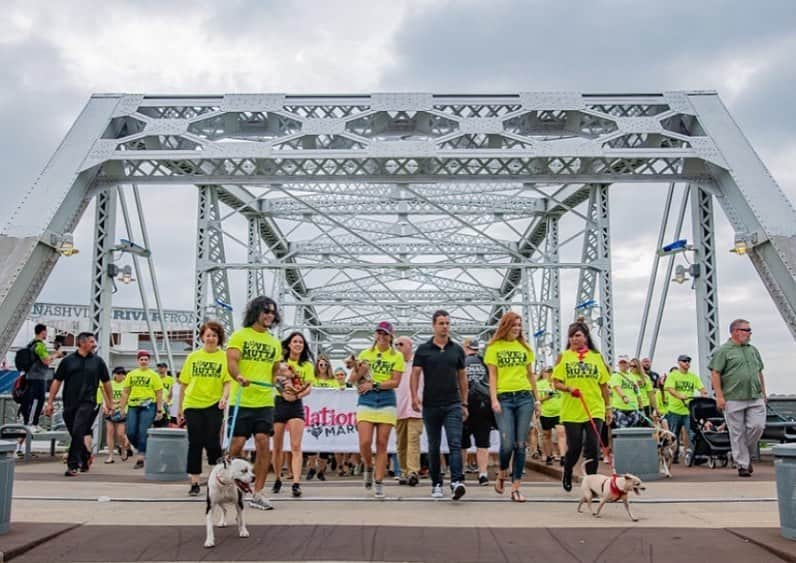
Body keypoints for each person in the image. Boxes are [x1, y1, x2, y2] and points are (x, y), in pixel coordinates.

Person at [227, 296, 282, 510]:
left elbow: (274, 371)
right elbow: (231, 361)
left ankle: (257, 493)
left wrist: (278, 382)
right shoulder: (240, 336)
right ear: (256, 312)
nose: (269, 315)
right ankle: (231, 485)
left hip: (264, 401)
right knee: (237, 446)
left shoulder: (274, 342)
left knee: (263, 443)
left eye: (272, 312)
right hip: (242, 400)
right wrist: (239, 376)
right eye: (266, 311)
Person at [411, 311, 467, 500]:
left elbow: (462, 377)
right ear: (434, 325)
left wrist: (464, 403)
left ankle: (456, 481)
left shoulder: (457, 349)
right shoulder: (423, 349)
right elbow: (415, 374)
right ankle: (436, 483)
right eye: (441, 323)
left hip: (453, 403)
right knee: (434, 446)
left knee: (455, 443)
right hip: (431, 405)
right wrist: (414, 397)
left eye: (447, 323)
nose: (445, 326)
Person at [484, 311, 539, 503]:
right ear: (506, 326)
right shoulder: (494, 347)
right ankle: (501, 474)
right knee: (507, 444)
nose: (517, 328)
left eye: (519, 325)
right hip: (504, 398)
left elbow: (531, 375)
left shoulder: (524, 347)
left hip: (524, 397)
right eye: (514, 325)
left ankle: (516, 487)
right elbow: (492, 375)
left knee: (520, 445)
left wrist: (537, 399)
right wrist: (494, 399)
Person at [552, 319, 611, 492]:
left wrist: (608, 408)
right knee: (575, 447)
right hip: (572, 409)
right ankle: (568, 470)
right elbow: (556, 383)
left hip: (594, 408)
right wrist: (569, 388)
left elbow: (603, 385)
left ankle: (592, 484)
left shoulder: (596, 357)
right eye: (571, 336)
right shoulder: (564, 357)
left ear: (585, 337)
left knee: (593, 447)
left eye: (577, 336)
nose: (574, 339)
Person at [43, 332, 112, 477]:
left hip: (89, 401)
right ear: (82, 343)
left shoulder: (98, 362)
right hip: (69, 402)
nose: (94, 345)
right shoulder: (68, 361)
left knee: (78, 429)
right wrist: (49, 402)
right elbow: (57, 381)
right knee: (75, 432)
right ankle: (86, 456)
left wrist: (109, 402)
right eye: (92, 342)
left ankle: (73, 465)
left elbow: (106, 382)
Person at [349, 321, 404, 499]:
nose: (381, 336)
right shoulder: (365, 353)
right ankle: (368, 465)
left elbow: (395, 382)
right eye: (378, 333)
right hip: (366, 399)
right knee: (364, 442)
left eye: (385, 333)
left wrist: (375, 384)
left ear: (390, 336)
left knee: (382, 443)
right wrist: (360, 370)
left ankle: (379, 482)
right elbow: (352, 380)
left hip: (386, 399)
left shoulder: (396, 356)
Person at [177, 321, 231, 496]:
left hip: (214, 404)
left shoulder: (223, 357)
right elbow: (184, 384)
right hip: (192, 404)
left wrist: (224, 397)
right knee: (195, 442)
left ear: (219, 338)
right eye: (208, 335)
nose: (211, 338)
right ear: (202, 337)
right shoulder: (193, 357)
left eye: (214, 335)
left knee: (213, 442)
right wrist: (179, 408)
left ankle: (217, 478)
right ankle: (194, 481)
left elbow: (228, 381)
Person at [709, 319, 767, 478]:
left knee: (758, 426)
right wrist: (719, 396)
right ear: (735, 331)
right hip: (733, 397)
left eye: (749, 330)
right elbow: (715, 373)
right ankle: (743, 464)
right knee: (737, 432)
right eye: (746, 330)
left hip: (755, 396)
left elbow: (759, 372)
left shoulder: (753, 350)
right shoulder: (724, 351)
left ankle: (742, 454)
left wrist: (764, 392)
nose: (749, 333)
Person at [272, 332, 314, 498]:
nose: (298, 344)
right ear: (289, 344)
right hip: (280, 402)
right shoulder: (281, 363)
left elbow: (309, 387)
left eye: (301, 342)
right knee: (277, 446)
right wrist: (283, 393)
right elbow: (274, 379)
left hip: (296, 403)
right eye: (295, 341)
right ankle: (277, 477)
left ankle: (296, 482)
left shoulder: (307, 366)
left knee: (296, 445)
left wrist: (296, 396)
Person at [119, 350, 164, 469]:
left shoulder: (154, 375)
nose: (143, 361)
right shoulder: (131, 374)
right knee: (130, 431)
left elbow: (159, 393)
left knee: (143, 431)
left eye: (146, 359)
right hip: (133, 405)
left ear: (149, 361)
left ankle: (140, 458)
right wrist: (122, 408)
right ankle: (141, 448)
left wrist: (159, 410)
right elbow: (125, 392)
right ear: (137, 361)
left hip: (149, 405)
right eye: (141, 359)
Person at [20, 324, 63, 434]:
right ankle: (31, 424)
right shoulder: (40, 345)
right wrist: (56, 355)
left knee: (34, 400)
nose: (46, 334)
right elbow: (46, 361)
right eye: (46, 332)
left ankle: (32, 423)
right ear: (42, 332)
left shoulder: (30, 344)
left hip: (30, 377)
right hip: (38, 377)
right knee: (37, 400)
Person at [664, 354, 707, 464]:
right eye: (684, 361)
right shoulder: (673, 375)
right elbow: (669, 388)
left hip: (688, 410)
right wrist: (679, 395)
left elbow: (701, 387)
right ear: (679, 363)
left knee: (692, 433)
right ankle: (674, 455)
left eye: (688, 361)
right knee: (674, 434)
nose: (687, 363)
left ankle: (694, 455)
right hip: (674, 410)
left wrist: (703, 393)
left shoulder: (693, 376)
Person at [461, 337, 492, 486]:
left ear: (465, 347)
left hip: (465, 404)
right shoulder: (484, 361)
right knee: (483, 443)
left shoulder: (461, 361)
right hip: (483, 405)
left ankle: (460, 473)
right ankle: (483, 474)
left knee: (462, 443)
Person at [394, 336, 421, 487]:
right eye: (396, 344)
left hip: (416, 407)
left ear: (410, 346)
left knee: (413, 440)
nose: (398, 346)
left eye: (401, 344)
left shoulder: (419, 363)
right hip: (398, 408)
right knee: (401, 442)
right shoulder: (393, 363)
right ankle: (404, 471)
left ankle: (412, 472)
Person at [307, 355, 335, 482]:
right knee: (312, 443)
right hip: (314, 414)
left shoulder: (333, 380)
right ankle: (312, 468)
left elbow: (337, 394)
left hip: (328, 416)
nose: (323, 367)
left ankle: (321, 471)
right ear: (317, 366)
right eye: (321, 364)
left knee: (325, 446)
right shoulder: (312, 379)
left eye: (325, 364)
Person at [537, 367, 566, 466]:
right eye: (548, 372)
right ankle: (549, 456)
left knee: (561, 433)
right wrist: (547, 397)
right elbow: (537, 399)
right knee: (547, 435)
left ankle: (563, 456)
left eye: (552, 372)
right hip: (546, 413)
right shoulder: (540, 384)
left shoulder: (560, 383)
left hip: (559, 412)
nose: (550, 374)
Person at [102, 367, 129, 464]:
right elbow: (105, 396)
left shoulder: (126, 384)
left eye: (121, 374)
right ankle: (110, 455)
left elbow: (126, 398)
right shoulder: (110, 384)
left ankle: (123, 449)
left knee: (120, 434)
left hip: (121, 410)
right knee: (110, 432)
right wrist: (105, 406)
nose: (119, 375)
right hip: (110, 410)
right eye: (117, 373)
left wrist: (117, 404)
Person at [610, 357, 642, 429]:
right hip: (619, 408)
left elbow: (637, 392)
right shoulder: (615, 376)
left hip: (633, 408)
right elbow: (617, 387)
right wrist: (624, 397)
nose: (623, 364)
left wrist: (641, 408)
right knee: (622, 429)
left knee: (633, 431)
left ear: (628, 364)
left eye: (625, 362)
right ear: (618, 365)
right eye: (621, 363)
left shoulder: (632, 377)